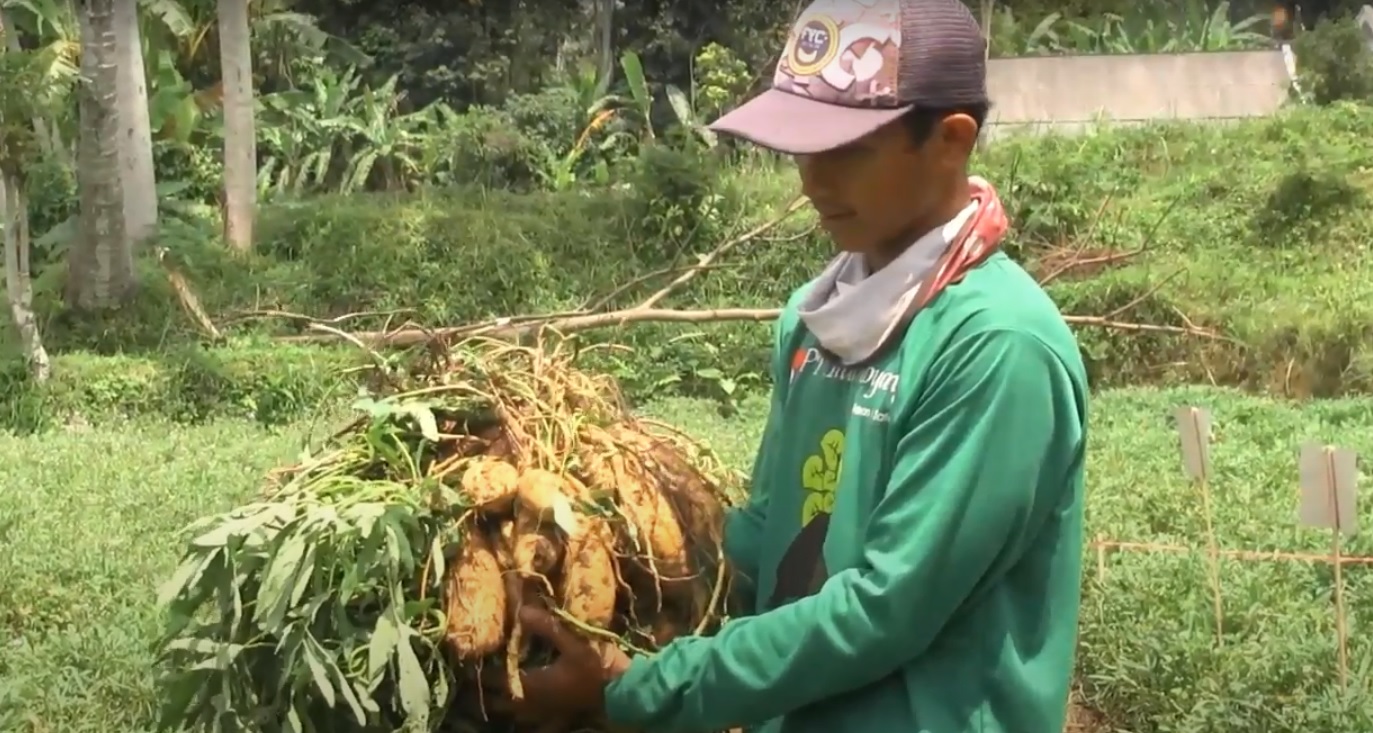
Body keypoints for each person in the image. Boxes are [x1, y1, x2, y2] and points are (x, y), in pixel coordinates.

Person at [510, 0, 1090, 731]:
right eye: (800, 148)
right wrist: (603, 549)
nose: (811, 181)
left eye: (847, 150)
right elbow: (765, 534)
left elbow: (885, 609)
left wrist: (641, 690)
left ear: (949, 141)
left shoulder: (996, 345)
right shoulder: (813, 319)